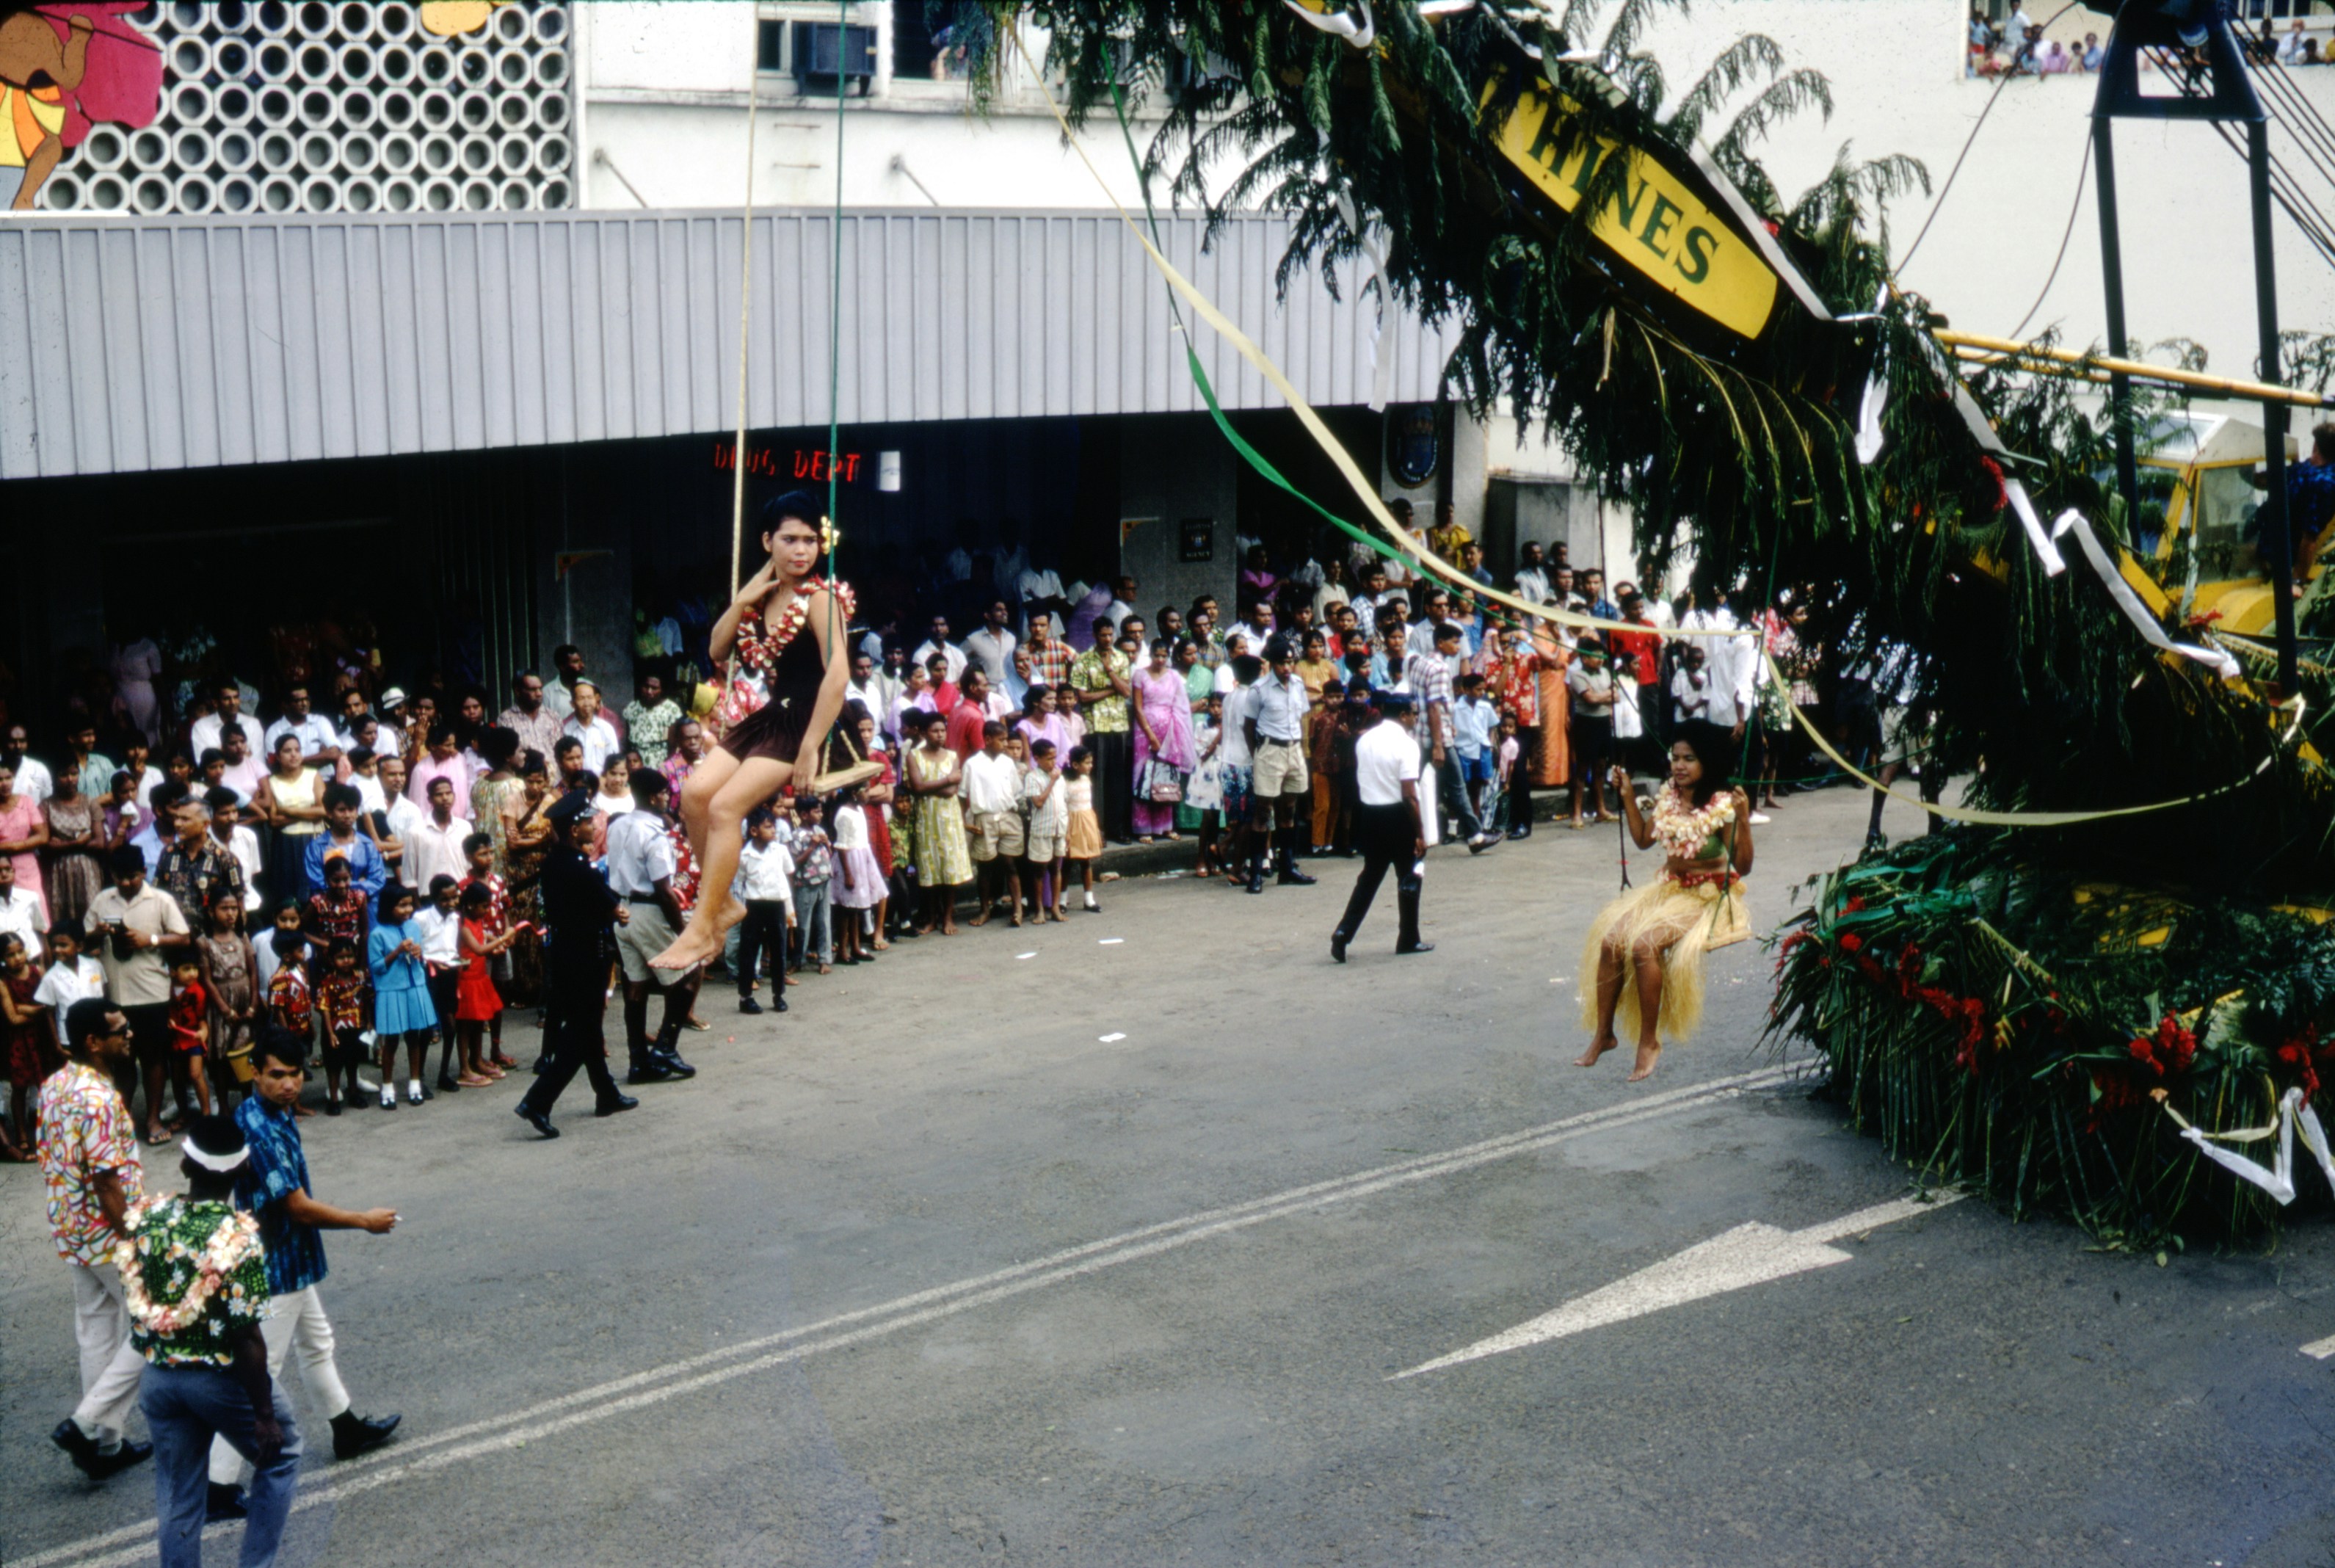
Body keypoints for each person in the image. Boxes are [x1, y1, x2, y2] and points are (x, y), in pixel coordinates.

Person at [203, 1032, 399, 1521]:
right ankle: (217, 1485)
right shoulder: (260, 1129)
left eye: (295, 1075)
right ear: (254, 1073)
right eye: (277, 1075)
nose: (290, 1085)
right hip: (274, 1266)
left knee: (317, 1343)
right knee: (258, 1374)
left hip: (288, 1257)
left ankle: (345, 1426)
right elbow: (297, 1209)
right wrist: (363, 1220)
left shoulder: (268, 1111)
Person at [658, 494, 851, 973]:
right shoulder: (764, 598)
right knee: (695, 795)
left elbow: (838, 676)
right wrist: (743, 598)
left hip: (809, 722)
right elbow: (719, 650)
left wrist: (809, 748)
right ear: (768, 542)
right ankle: (723, 905)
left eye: (810, 540)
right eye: (789, 540)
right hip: (772, 715)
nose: (801, 551)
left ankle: (702, 928)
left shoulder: (820, 599)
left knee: (726, 808)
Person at [124, 1111, 302, 1568]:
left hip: (160, 1379)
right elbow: (245, 1337)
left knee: (179, 1497)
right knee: (283, 1454)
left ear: (185, 1166)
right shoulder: (237, 1237)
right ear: (243, 1170)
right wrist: (264, 1414)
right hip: (218, 1379)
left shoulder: (148, 1219)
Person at [1580, 722, 1754, 1083]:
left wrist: (1743, 820)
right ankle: (1604, 1034)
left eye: (1689, 759)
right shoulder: (1669, 797)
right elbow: (1644, 840)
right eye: (1675, 757)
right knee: (1612, 940)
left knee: (1644, 947)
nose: (1679, 765)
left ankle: (1648, 1042)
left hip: (1708, 893)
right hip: (1670, 887)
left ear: (1707, 762)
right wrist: (1627, 796)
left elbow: (1744, 866)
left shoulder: (1722, 805)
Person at [41, 997, 156, 1481]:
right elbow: (108, 1183)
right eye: (120, 1030)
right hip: (109, 1233)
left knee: (96, 1329)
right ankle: (86, 1423)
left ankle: (105, 1446)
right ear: (93, 1042)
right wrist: (135, 1241)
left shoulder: (55, 1084)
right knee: (157, 1325)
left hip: (71, 1229)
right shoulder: (99, 1098)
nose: (129, 1035)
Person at [514, 791, 640, 1136]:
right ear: (573, 830)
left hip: (566, 954)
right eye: (587, 822)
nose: (592, 825)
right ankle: (538, 1101)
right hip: (586, 956)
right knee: (582, 1032)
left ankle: (606, 1094)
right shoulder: (578, 866)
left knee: (589, 1026)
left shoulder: (554, 862)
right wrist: (618, 911)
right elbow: (611, 906)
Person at [87, 843, 195, 1146]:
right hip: (115, 995)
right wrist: (97, 933)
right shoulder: (102, 900)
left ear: (144, 873)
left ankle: (153, 1118)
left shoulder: (160, 899)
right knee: (121, 1063)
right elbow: (84, 940)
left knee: (153, 1059)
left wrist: (152, 939)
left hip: (152, 992)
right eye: (119, 877)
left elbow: (184, 936)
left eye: (131, 877)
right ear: (112, 874)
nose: (124, 883)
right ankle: (122, 1123)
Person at [606, 769, 700, 1082]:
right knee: (689, 975)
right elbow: (664, 890)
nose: (667, 799)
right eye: (663, 793)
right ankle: (666, 1046)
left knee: (636, 986)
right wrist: (683, 933)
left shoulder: (618, 825)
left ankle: (638, 1062)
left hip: (622, 910)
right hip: (648, 910)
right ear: (652, 796)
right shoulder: (655, 836)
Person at [1330, 691, 1433, 961]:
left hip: (1371, 814)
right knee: (1409, 878)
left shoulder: (1365, 740)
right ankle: (1409, 937)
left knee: (1369, 880)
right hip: (1398, 815)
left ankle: (1344, 932)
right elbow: (1410, 794)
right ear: (1403, 716)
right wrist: (1421, 834)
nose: (1415, 718)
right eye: (1413, 713)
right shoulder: (1407, 745)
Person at [1247, 636, 1319, 891]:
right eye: (1281, 663)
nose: (1286, 668)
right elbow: (1249, 725)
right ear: (1273, 664)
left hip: (1294, 749)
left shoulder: (1298, 685)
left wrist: (1301, 749)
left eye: (1290, 662)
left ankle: (1288, 867)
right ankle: (1256, 872)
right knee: (1264, 812)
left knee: (1289, 808)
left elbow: (1300, 718)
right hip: (1270, 749)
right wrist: (1257, 753)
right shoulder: (1259, 689)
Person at [366, 884, 437, 1110]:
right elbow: (376, 967)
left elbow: (422, 955)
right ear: (389, 907)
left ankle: (415, 1084)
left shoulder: (414, 927)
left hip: (415, 986)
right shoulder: (377, 934)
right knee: (392, 1041)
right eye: (402, 905)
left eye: (410, 905)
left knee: (414, 1037)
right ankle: (387, 1088)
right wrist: (397, 952)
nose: (408, 910)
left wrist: (418, 953)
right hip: (391, 991)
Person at [1067, 621, 1135, 846]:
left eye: (1110, 635)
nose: (1107, 639)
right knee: (1097, 780)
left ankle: (1118, 828)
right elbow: (1083, 697)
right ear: (1095, 635)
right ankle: (1099, 830)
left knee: (1118, 780)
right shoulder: (1083, 660)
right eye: (1103, 635)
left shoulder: (1120, 658)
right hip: (1094, 726)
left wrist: (1109, 671)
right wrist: (1111, 689)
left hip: (1118, 725)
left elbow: (1126, 691)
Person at [1130, 639, 1196, 843]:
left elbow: (1181, 706)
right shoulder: (1140, 675)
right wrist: (1150, 735)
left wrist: (1175, 733)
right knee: (1144, 776)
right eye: (1156, 655)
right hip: (1144, 730)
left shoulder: (1174, 676)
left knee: (1166, 777)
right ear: (1150, 655)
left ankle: (1165, 827)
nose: (1160, 660)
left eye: (1164, 656)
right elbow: (1138, 708)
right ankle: (1143, 828)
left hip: (1169, 729)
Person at [733, 808, 794, 1014]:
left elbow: (788, 876)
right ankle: (746, 997)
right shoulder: (745, 856)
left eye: (773, 826)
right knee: (749, 951)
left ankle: (779, 995)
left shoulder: (780, 851)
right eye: (768, 827)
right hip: (754, 905)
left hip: (776, 904)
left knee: (778, 950)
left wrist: (789, 907)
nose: (773, 831)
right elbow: (740, 882)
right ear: (754, 830)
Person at [0, 757, 50, 925]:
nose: (4, 783)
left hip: (26, 865)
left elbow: (43, 836)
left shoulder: (26, 801)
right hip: (2, 869)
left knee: (35, 911)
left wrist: (12, 846)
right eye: (0, 779)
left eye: (8, 778)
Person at [1061, 744, 1103, 913]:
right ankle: (1062, 900)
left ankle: (1089, 899)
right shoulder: (1064, 782)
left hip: (1086, 820)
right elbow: (1064, 805)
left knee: (1086, 861)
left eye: (1091, 762)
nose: (1090, 766)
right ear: (1075, 765)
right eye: (1087, 763)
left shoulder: (1086, 780)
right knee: (1067, 863)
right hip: (1072, 822)